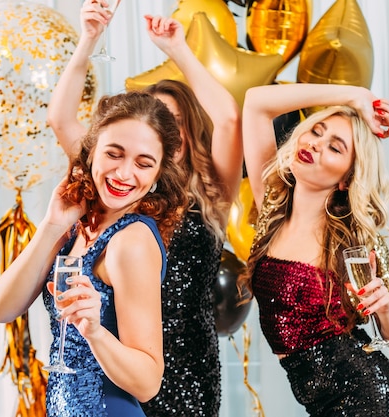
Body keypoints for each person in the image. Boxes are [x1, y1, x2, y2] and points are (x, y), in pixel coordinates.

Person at [46, 3, 243, 415]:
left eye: (171, 123)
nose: (158, 134)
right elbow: (62, 120)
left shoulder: (210, 194)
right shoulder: (121, 193)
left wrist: (177, 48)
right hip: (118, 363)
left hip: (189, 369)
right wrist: (88, 39)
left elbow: (228, 118)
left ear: (186, 132)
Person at [0, 90, 188, 417]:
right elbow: (2, 308)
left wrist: (94, 331)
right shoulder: (76, 225)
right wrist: (52, 226)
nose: (124, 174)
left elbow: (148, 381)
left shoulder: (131, 241)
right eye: (114, 153)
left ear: (157, 175)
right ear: (92, 151)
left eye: (143, 163)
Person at [239, 82, 389, 415]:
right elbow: (256, 101)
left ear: (346, 180)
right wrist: (352, 96)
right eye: (316, 131)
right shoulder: (271, 209)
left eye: (335, 148)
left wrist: (385, 307)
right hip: (319, 403)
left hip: (370, 400)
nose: (315, 144)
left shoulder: (354, 239)